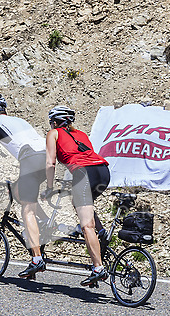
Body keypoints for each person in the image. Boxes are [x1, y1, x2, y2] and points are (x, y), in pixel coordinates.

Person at [0, 94, 48, 279]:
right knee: (20, 192)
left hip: (30, 157)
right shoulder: (18, 120)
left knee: (26, 211)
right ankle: (43, 220)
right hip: (46, 157)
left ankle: (36, 259)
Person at [45, 106, 111, 287]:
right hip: (103, 172)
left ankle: (98, 268)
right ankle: (102, 231)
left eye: (51, 123)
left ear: (55, 122)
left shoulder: (54, 134)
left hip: (84, 174)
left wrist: (50, 187)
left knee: (86, 225)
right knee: (81, 204)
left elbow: (50, 162)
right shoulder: (81, 134)